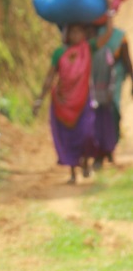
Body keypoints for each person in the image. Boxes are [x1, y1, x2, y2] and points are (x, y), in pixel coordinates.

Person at [33, 18, 115, 183]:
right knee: (68, 137)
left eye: (79, 31)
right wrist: (40, 99)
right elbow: (50, 76)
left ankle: (85, 162)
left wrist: (109, 14)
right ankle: (72, 172)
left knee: (87, 133)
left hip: (83, 100)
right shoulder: (59, 53)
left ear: (84, 33)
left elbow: (107, 35)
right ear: (66, 34)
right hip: (62, 102)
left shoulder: (88, 48)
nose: (76, 35)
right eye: (72, 31)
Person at [90, 21, 133, 169]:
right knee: (95, 117)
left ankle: (109, 147)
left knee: (113, 113)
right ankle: (99, 153)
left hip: (112, 84)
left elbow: (127, 60)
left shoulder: (119, 37)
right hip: (94, 82)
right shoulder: (89, 35)